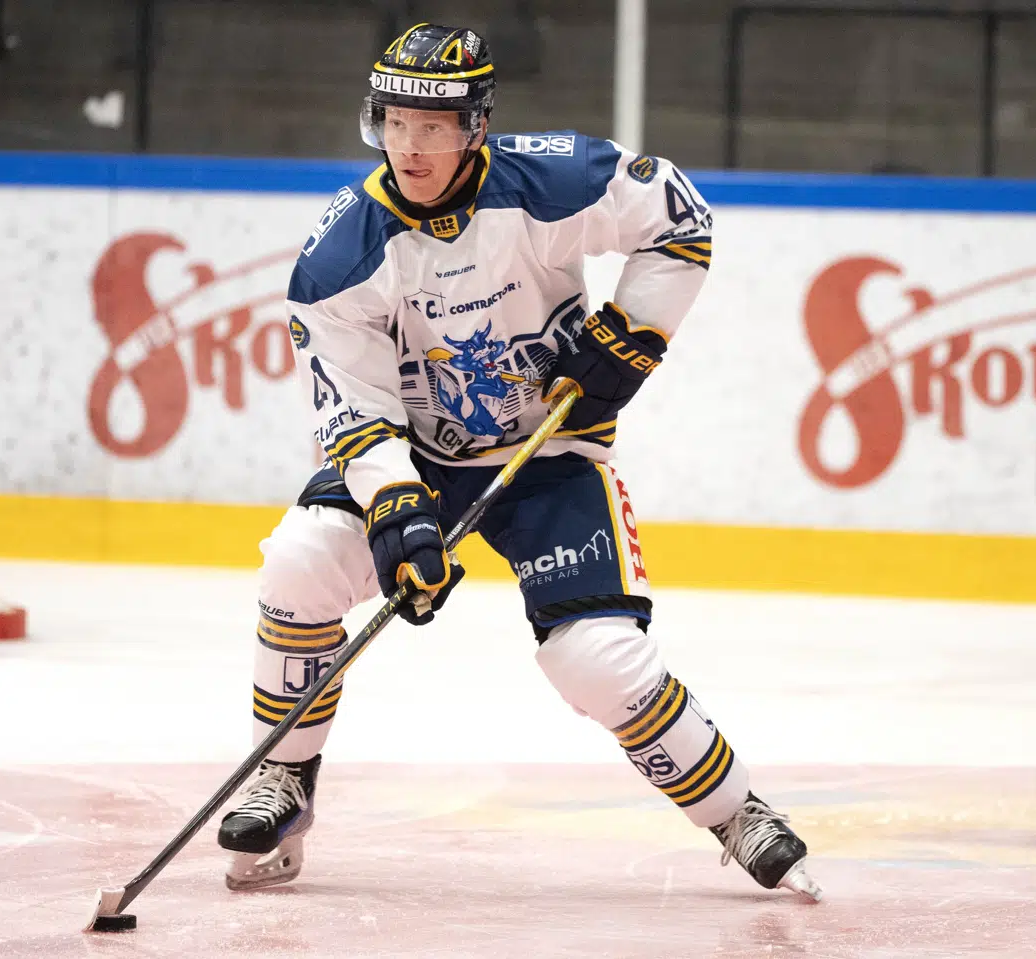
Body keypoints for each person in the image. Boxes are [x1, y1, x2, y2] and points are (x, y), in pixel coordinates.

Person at [217, 23, 821, 902]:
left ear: (476, 127)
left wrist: (635, 334)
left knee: (597, 660)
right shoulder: (339, 257)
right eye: (393, 122)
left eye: (432, 127)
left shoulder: (555, 180)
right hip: (414, 456)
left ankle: (736, 810)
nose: (409, 146)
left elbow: (679, 217)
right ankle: (284, 778)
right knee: (301, 561)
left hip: (549, 453)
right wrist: (397, 511)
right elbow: (354, 413)